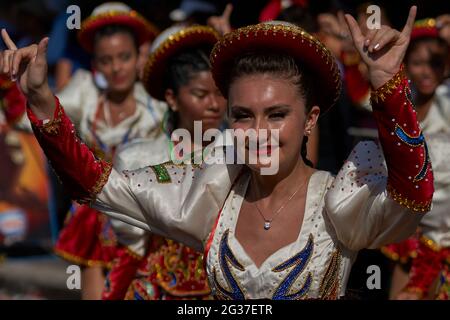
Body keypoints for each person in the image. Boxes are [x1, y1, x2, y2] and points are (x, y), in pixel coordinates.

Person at [1, 6, 435, 299]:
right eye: (244, 115)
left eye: (277, 114)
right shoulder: (208, 196)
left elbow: (412, 195)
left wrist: (387, 88)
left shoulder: (339, 204)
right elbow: (96, 185)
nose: (259, 132)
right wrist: (40, 99)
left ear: (310, 119)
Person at [28, 2, 162, 300]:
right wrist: (34, 88)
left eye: (124, 57)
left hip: (141, 210)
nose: (116, 68)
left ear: (140, 55)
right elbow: (51, 115)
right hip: (95, 209)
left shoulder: (156, 104)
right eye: (106, 60)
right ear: (95, 63)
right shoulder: (84, 93)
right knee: (93, 280)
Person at [104, 25, 226, 300]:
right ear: (172, 98)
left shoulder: (238, 151)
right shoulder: (140, 158)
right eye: (200, 94)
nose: (214, 105)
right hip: (156, 287)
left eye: (220, 93)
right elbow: (130, 235)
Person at [380, 18, 450, 299]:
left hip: (444, 241)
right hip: (410, 232)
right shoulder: (402, 105)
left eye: (434, 64)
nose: (426, 72)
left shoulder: (448, 102)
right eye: (418, 62)